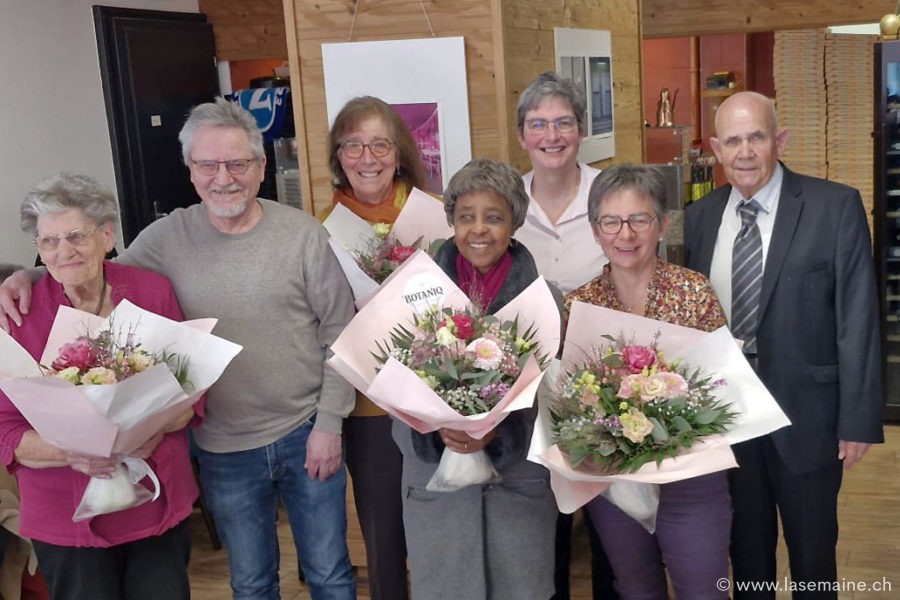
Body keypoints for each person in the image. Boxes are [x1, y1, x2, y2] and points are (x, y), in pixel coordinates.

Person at [0, 98, 358, 600]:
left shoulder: (302, 235)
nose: (223, 177)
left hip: (304, 430)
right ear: (190, 171)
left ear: (261, 167)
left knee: (330, 574)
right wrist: (27, 275)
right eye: (207, 164)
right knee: (251, 583)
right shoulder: (166, 239)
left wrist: (329, 424)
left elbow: (340, 332)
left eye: (237, 163)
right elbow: (84, 262)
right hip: (223, 446)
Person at [684, 91, 884, 598]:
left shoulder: (833, 207)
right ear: (716, 149)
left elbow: (859, 319)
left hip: (808, 417)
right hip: (728, 417)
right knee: (747, 555)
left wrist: (858, 419)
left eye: (757, 137)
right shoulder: (700, 217)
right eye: (733, 141)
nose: (745, 152)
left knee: (813, 558)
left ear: (780, 141)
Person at [0, 172, 201, 600]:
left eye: (76, 235)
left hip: (154, 499)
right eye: (49, 241)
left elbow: (190, 390)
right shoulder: (18, 315)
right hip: (63, 513)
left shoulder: (151, 292)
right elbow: (5, 429)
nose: (63, 251)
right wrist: (70, 451)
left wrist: (154, 427)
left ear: (107, 235)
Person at [392, 158, 558, 599]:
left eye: (494, 217)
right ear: (451, 221)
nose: (478, 229)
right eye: (466, 217)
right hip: (437, 492)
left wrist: (499, 432)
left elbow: (554, 404)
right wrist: (437, 430)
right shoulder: (412, 295)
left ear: (515, 223)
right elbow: (389, 389)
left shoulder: (546, 300)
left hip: (517, 491)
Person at [566, 163, 731, 599]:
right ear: (595, 230)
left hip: (692, 477)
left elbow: (722, 384)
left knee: (704, 589)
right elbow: (566, 397)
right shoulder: (579, 305)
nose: (626, 234)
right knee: (636, 587)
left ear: (662, 225)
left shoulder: (694, 292)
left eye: (640, 219)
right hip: (615, 481)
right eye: (611, 221)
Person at [319, 95, 429, 600]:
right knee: (383, 538)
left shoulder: (432, 214)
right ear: (338, 156)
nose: (368, 158)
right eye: (354, 145)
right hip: (366, 405)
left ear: (399, 152)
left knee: (438, 530)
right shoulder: (321, 228)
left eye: (380, 144)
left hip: (437, 398)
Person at [513, 71, 614, 600]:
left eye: (564, 123)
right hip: (527, 390)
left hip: (606, 388)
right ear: (522, 135)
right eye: (538, 124)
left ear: (581, 130)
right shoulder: (505, 201)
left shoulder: (610, 194)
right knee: (543, 523)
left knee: (608, 525)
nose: (551, 136)